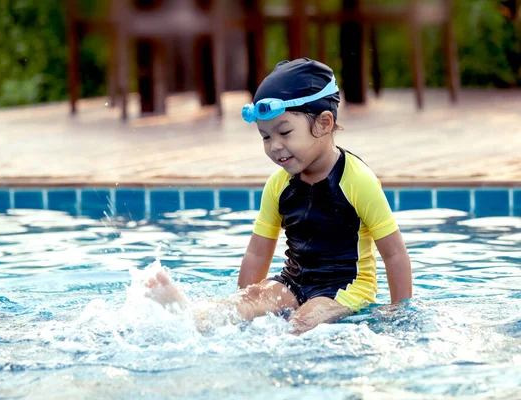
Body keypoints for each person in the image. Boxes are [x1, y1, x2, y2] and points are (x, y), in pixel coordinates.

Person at [144, 58, 413, 334]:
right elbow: (257, 252)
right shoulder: (278, 185)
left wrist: (399, 313)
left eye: (284, 132)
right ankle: (187, 314)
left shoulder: (358, 180)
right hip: (293, 282)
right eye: (265, 137)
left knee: (302, 322)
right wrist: (241, 309)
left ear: (323, 123)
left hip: (345, 289)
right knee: (246, 303)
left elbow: (394, 254)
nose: (275, 147)